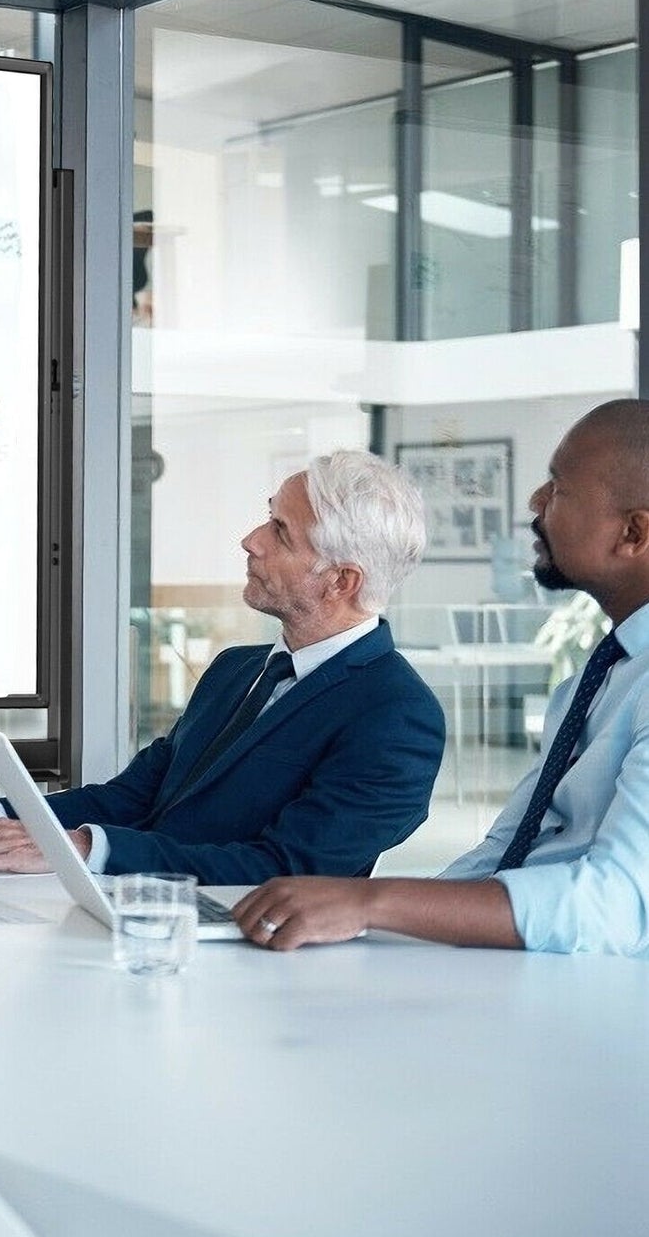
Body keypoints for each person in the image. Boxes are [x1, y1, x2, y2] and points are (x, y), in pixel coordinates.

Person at [0, 450, 444, 883]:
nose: (250, 540)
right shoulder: (236, 670)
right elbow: (134, 796)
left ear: (341, 581)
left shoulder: (397, 715)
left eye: (280, 531)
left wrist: (85, 848)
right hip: (135, 916)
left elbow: (288, 867)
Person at [234, 400, 649, 957]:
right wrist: (365, 925)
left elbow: (619, 905)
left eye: (558, 488)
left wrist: (370, 903)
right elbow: (502, 856)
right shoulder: (597, 680)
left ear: (633, 532)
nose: (535, 502)